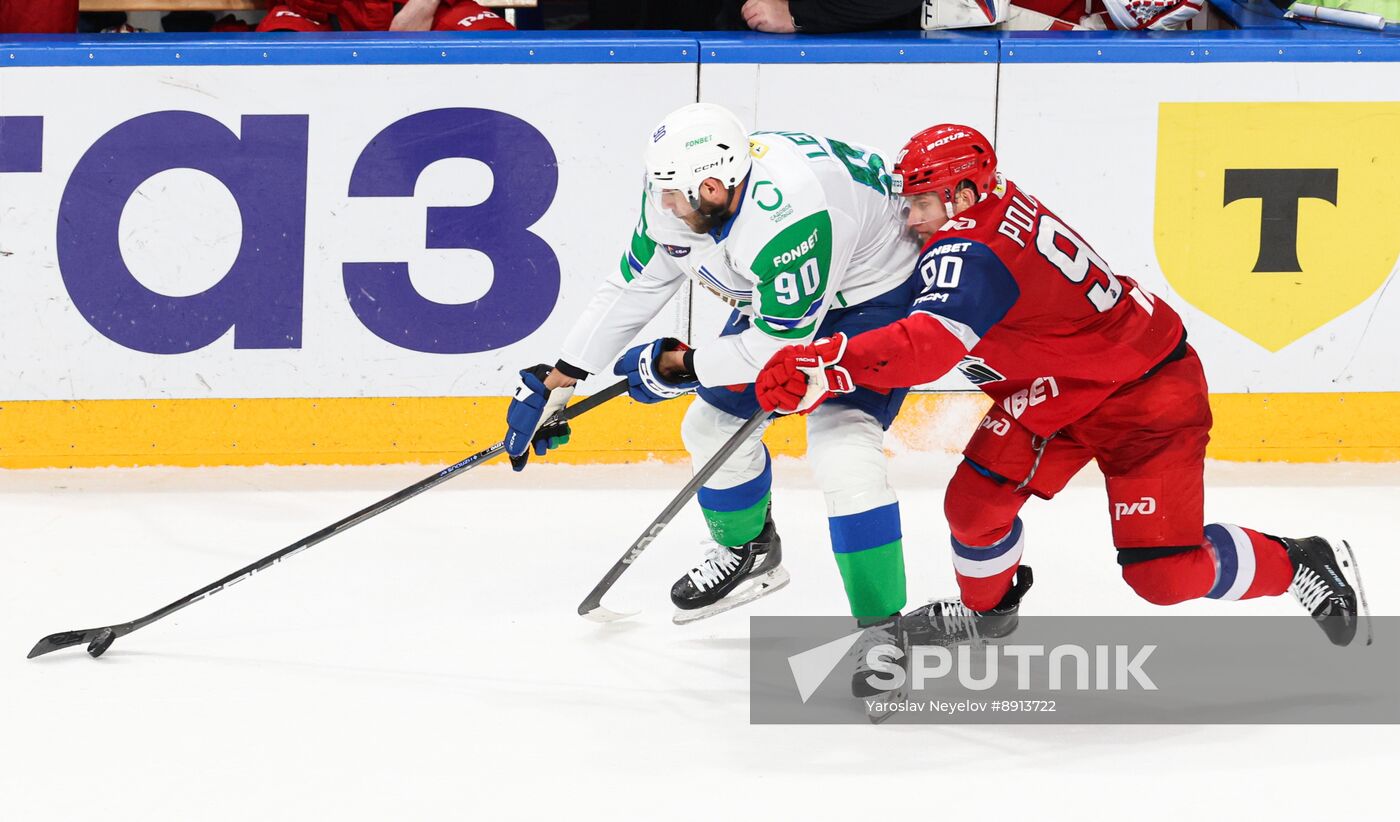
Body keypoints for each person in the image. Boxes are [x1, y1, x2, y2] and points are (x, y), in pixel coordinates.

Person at [754, 124, 1369, 650]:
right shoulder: (985, 207)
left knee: (1163, 577)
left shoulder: (973, 248)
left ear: (965, 193)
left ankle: (1298, 561)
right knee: (972, 510)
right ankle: (987, 613)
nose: (908, 218)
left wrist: (830, 361)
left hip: (1144, 394)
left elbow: (929, 346)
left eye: (922, 203)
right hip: (1058, 391)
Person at [504, 104, 923, 646]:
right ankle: (749, 551)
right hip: (791, 294)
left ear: (714, 186)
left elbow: (779, 347)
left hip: (875, 295)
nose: (664, 206)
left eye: (675, 195)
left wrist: (684, 367)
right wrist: (564, 373)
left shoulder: (788, 219)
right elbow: (638, 282)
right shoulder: (680, 192)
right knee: (709, 427)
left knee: (843, 450)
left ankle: (882, 628)